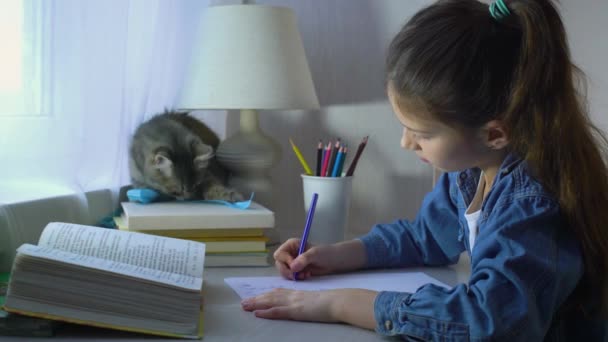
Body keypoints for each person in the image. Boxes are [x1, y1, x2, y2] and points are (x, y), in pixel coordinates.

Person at [240, 0, 608, 340]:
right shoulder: (469, 172)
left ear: (495, 133)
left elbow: (487, 320)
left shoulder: (533, 206)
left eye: (422, 133)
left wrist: (342, 304)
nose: (406, 144)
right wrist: (336, 255)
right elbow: (425, 237)